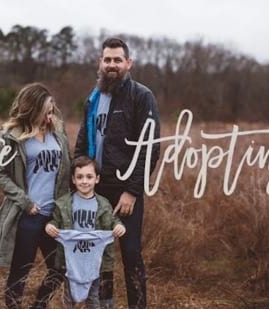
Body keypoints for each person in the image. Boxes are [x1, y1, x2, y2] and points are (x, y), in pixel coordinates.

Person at [74, 38, 161, 308]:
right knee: (99, 254)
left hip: (125, 191)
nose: (112, 65)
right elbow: (81, 145)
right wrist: (79, 184)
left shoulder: (141, 96)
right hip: (95, 191)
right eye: (107, 59)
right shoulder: (94, 98)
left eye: (117, 60)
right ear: (100, 63)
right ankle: (103, 304)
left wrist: (132, 191)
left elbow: (150, 148)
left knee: (131, 254)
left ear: (128, 63)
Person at [0, 83, 71, 309]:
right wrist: (25, 202)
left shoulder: (59, 135)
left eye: (52, 111)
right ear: (33, 109)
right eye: (46, 112)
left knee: (60, 268)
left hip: (55, 216)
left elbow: (66, 171)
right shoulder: (11, 137)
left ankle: (39, 305)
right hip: (29, 216)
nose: (50, 116)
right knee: (20, 272)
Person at [45, 156, 126, 309]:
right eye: (80, 177)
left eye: (89, 177)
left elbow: (113, 221)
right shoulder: (64, 203)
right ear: (73, 180)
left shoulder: (103, 204)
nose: (84, 181)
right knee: (68, 298)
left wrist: (118, 226)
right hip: (71, 261)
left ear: (97, 179)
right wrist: (50, 226)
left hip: (94, 261)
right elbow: (55, 221)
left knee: (93, 298)